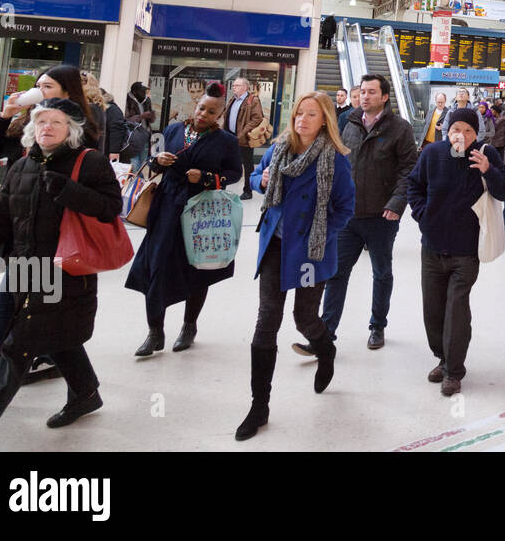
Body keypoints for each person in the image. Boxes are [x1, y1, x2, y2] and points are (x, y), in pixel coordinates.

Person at [0, 99, 123, 450]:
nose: (47, 127)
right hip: (24, 271)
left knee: (16, 350)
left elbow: (112, 209)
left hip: (64, 273)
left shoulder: (88, 162)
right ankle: (86, 393)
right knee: (58, 337)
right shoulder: (20, 167)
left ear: (71, 130)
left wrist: (70, 191)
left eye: (57, 122)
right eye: (41, 121)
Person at [235, 93, 355, 441]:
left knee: (304, 318)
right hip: (275, 244)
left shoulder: (336, 160)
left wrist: (317, 234)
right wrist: (261, 180)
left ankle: (325, 349)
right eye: (299, 113)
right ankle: (260, 405)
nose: (302, 119)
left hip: (310, 252)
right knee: (267, 319)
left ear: (325, 120)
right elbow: (258, 174)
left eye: (311, 114)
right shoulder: (280, 149)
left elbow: (345, 208)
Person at [125, 82, 241, 357]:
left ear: (219, 115)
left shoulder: (227, 141)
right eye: (201, 108)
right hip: (166, 206)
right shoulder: (173, 129)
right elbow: (153, 163)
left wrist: (209, 178)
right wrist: (157, 161)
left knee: (198, 269)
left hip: (201, 210)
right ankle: (155, 331)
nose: (203, 114)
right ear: (196, 106)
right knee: (154, 266)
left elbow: (235, 174)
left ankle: (189, 326)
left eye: (211, 112)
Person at [405, 108, 505, 396]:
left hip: (466, 250)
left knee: (456, 309)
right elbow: (413, 186)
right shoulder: (432, 154)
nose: (461, 135)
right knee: (433, 310)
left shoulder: (486, 154)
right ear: (447, 131)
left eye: (468, 130)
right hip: (432, 247)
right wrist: (423, 214)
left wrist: (489, 170)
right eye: (456, 129)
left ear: (477, 133)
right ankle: (442, 357)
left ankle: (454, 370)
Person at [308, 73, 417, 352]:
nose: (365, 96)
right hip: (348, 215)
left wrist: (396, 204)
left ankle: (377, 325)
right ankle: (326, 333)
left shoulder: (399, 128)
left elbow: (408, 170)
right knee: (337, 273)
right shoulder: (348, 122)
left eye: (371, 92)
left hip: (382, 216)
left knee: (381, 272)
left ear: (384, 97)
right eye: (363, 91)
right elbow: (335, 160)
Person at [224, 77, 266, 201]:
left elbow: (257, 118)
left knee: (247, 166)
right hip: (229, 137)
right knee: (225, 163)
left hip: (244, 139)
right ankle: (221, 188)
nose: (233, 87)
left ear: (245, 87)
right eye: (233, 85)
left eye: (237, 85)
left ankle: (248, 191)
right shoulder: (233, 99)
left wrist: (242, 133)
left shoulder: (253, 100)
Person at [82, 73, 128, 159]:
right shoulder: (98, 107)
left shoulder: (106, 108)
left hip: (94, 153)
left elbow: (116, 128)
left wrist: (114, 151)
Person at [124, 81, 156, 172]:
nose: (144, 93)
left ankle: (137, 182)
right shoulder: (127, 100)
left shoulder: (147, 100)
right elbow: (125, 119)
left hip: (145, 137)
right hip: (133, 139)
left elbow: (152, 120)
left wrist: (152, 116)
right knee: (135, 167)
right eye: (142, 91)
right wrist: (141, 116)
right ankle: (137, 183)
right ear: (134, 92)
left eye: (145, 91)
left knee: (141, 165)